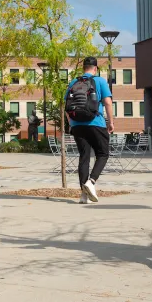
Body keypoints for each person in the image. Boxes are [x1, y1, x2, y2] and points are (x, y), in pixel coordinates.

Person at [65, 57, 114, 204]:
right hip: (95, 122)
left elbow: (67, 107)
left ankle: (83, 196)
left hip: (77, 125)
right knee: (103, 153)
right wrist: (110, 122)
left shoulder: (73, 82)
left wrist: (72, 124)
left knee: (84, 157)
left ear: (83, 68)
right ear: (95, 68)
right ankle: (91, 182)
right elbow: (107, 102)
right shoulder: (99, 81)